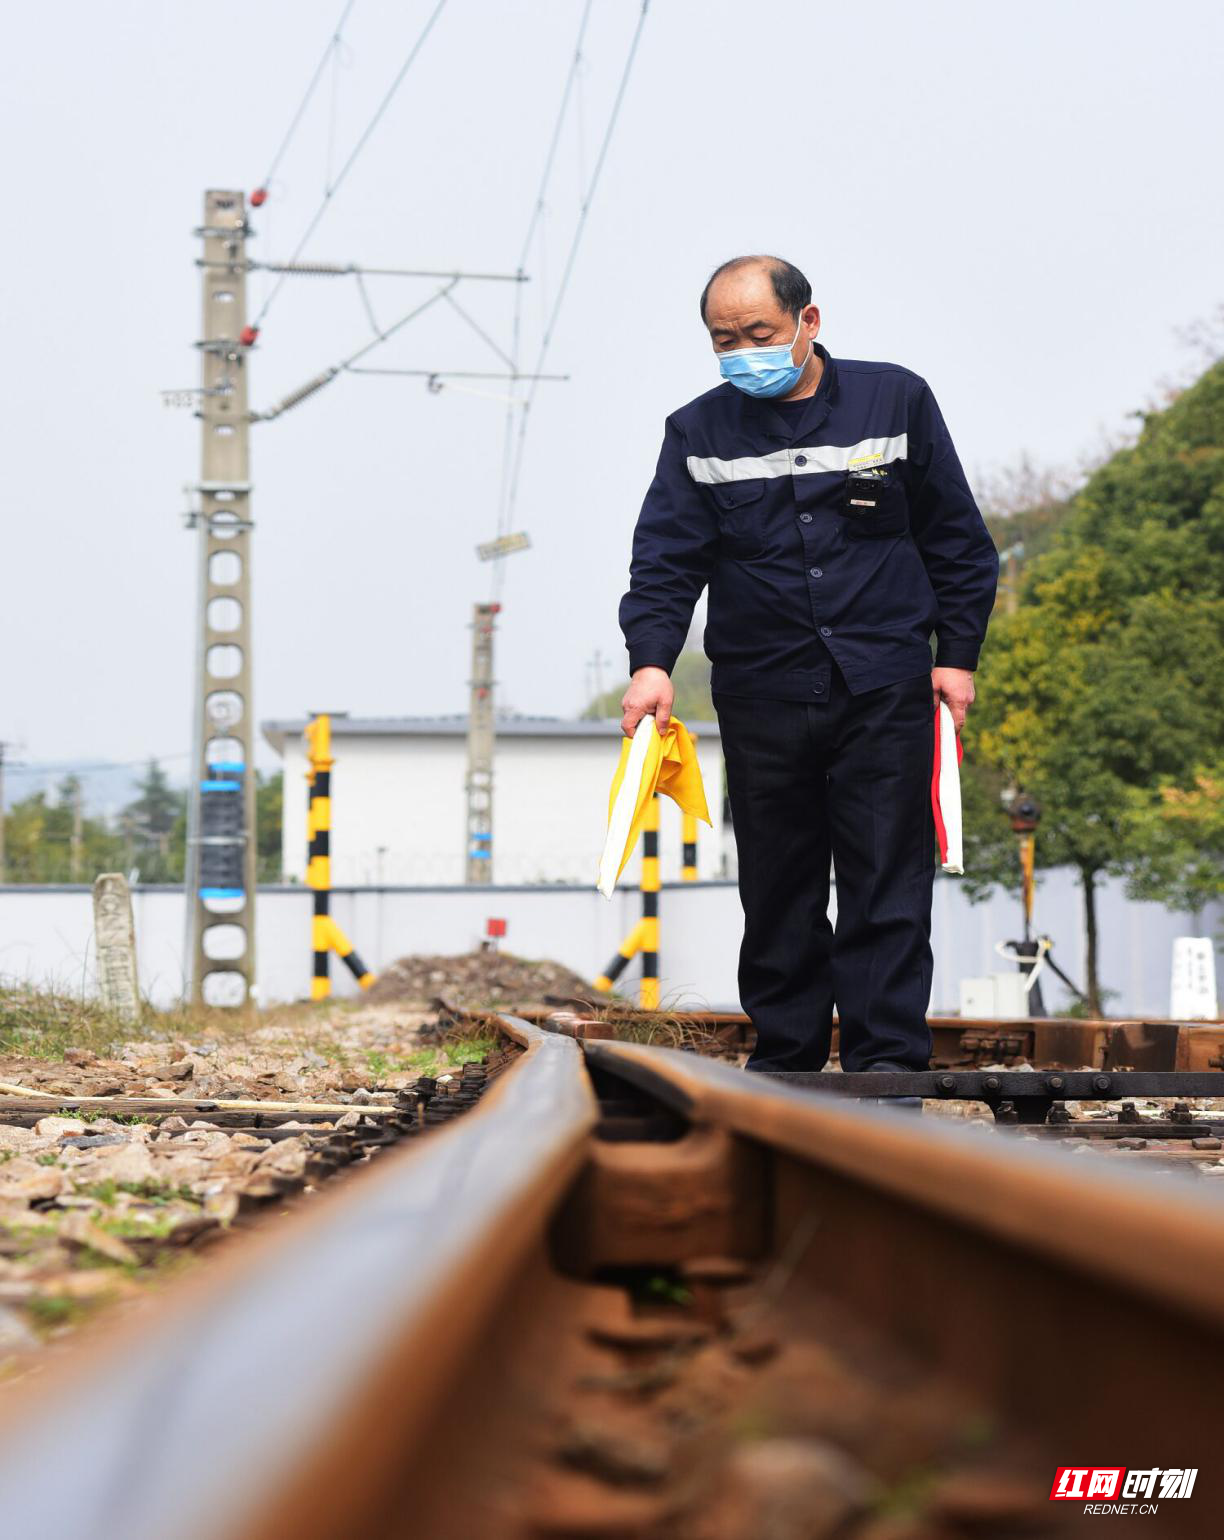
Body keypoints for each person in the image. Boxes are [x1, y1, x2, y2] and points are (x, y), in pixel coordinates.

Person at [618, 255, 998, 1073]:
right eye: (725, 340)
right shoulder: (696, 432)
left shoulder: (894, 401)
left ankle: (886, 1064)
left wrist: (956, 657)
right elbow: (665, 562)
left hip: (884, 685)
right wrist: (651, 663)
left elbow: (957, 540)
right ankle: (786, 1060)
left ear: (808, 322)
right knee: (780, 884)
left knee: (886, 881)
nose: (743, 350)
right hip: (763, 692)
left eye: (759, 333)